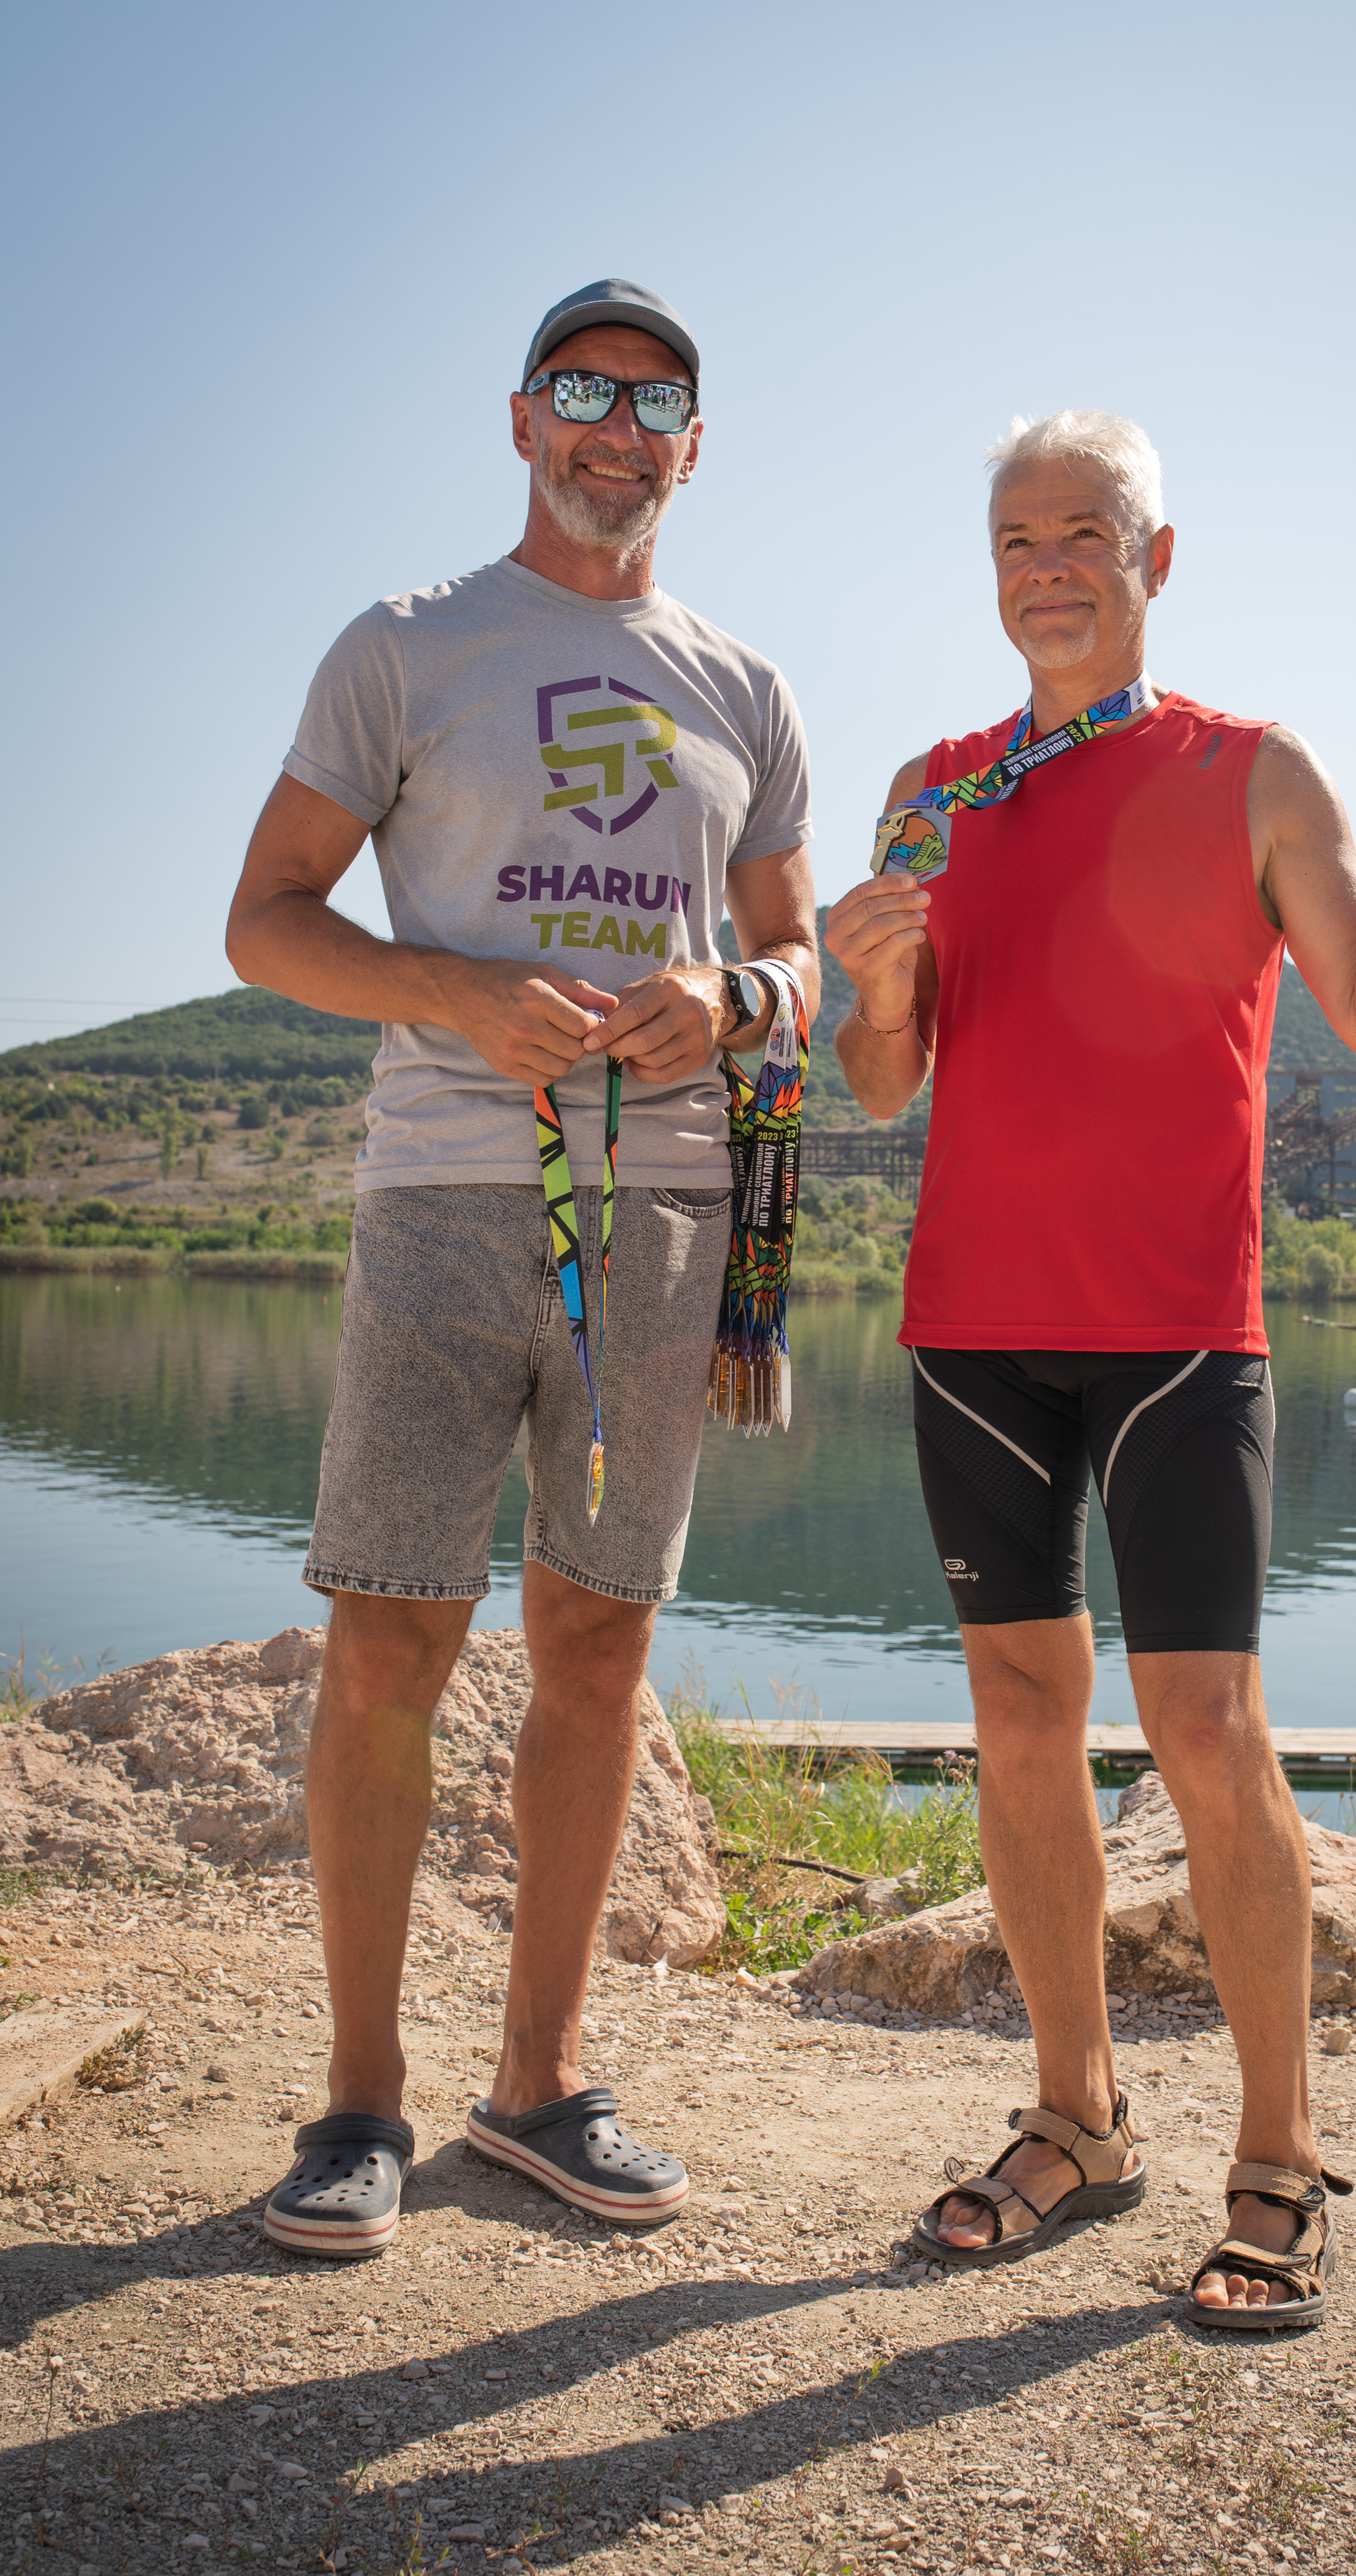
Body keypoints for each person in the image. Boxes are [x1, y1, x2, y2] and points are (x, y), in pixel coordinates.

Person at [824, 410, 1356, 2327]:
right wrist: (879, 990)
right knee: (1025, 1724)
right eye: (1017, 537)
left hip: (1184, 1334)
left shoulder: (1254, 770)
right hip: (974, 1331)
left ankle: (1279, 2160)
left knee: (1206, 1729)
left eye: (1086, 534)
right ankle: (1076, 2117)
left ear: (1156, 557)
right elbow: (886, 1079)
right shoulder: (928, 790)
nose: (1049, 565)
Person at [226, 278, 819, 2258]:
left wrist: (730, 997)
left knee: (595, 1646)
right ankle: (361, 2106)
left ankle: (540, 2087)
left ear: (694, 448)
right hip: (443, 1204)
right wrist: (461, 991)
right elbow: (268, 924)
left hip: (664, 1218)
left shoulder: (744, 683)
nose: (615, 427)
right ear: (520, 419)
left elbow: (799, 963)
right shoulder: (404, 648)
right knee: (389, 1639)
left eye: (655, 402)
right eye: (582, 391)